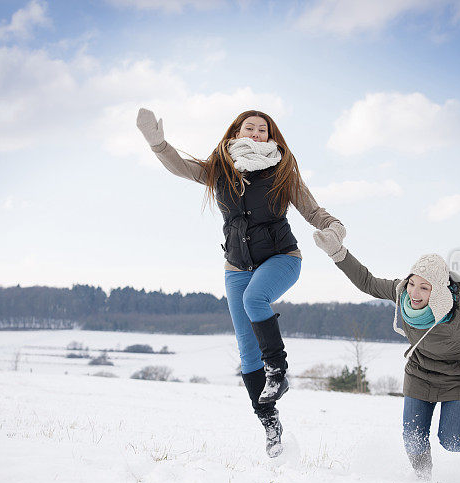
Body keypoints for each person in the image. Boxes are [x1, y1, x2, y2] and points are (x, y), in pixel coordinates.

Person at [136, 108, 344, 457]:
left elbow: (314, 212)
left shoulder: (282, 173)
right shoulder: (220, 169)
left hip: (281, 259)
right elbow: (180, 167)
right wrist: (158, 144)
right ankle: (269, 422)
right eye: (250, 127)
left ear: (271, 136)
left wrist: (334, 229)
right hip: (236, 268)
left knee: (254, 299)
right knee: (247, 351)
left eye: (263, 129)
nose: (257, 133)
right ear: (236, 131)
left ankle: (278, 370)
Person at [312, 231, 460, 480]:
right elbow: (367, 282)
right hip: (420, 373)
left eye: (424, 288)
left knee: (452, 439)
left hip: (459, 378)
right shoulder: (401, 293)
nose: (415, 293)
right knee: (413, 439)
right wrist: (337, 252)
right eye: (413, 283)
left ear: (437, 291)